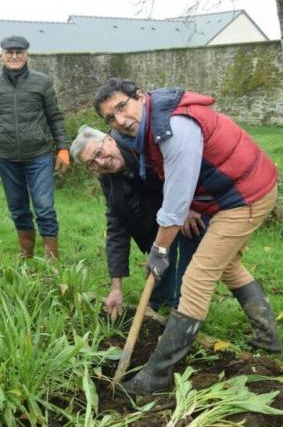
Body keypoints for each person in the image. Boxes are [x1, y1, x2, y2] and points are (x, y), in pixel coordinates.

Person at [92, 78, 282, 395]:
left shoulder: (173, 128)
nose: (120, 120)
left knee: (197, 278)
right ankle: (268, 339)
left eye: (122, 107)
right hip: (226, 194)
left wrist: (160, 251)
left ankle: (157, 374)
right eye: (110, 118)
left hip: (246, 195)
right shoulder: (147, 125)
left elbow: (176, 204)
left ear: (140, 96)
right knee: (227, 265)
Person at [70, 126, 208, 313]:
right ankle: (159, 304)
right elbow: (117, 227)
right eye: (91, 163)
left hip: (194, 201)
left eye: (99, 153)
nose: (100, 162)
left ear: (109, 140)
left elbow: (186, 164)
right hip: (158, 213)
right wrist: (116, 287)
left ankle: (184, 314)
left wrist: (192, 204)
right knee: (159, 256)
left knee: (191, 272)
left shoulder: (142, 146)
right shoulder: (108, 177)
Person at [0, 35, 70, 259]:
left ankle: (52, 258)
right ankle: (27, 254)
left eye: (19, 52)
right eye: (9, 52)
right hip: (6, 158)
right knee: (18, 208)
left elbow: (55, 117)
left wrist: (63, 148)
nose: (14, 56)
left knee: (44, 207)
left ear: (27, 54)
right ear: (2, 54)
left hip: (38, 156)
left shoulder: (42, 83)